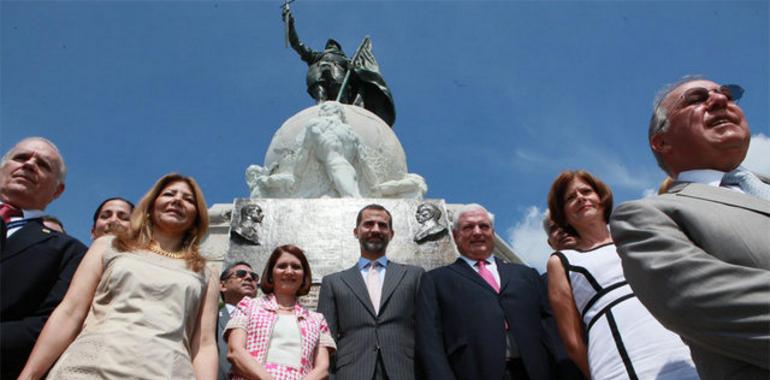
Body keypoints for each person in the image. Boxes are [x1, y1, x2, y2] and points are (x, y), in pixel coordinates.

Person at [610, 77, 770, 379]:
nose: (720, 100)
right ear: (662, 141)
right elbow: (706, 303)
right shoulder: (647, 217)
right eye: (696, 98)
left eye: (728, 94)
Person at [18, 173, 220, 379]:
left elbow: (204, 345)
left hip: (166, 371)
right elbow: (71, 312)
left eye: (188, 199)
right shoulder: (108, 246)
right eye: (169, 194)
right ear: (151, 205)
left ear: (197, 216)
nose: (177, 200)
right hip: (89, 368)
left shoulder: (205, 271)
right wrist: (29, 375)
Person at [546, 170, 697, 379]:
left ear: (600, 197)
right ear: (563, 213)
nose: (580, 198)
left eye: (586, 191)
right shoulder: (562, 262)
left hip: (681, 349)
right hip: (618, 363)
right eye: (570, 198)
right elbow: (572, 341)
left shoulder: (638, 236)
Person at [416, 204, 552, 380]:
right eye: (468, 227)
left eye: (484, 226)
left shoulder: (527, 275)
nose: (477, 232)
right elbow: (429, 340)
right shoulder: (435, 280)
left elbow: (550, 324)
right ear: (456, 236)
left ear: (493, 234)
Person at [0, 137, 88, 379]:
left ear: (58, 191)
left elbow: (49, 322)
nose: (29, 164)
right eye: (21, 158)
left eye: (43, 165)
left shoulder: (70, 252)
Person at [317, 204, 424, 380]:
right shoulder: (333, 282)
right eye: (368, 224)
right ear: (356, 232)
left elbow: (426, 330)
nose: (375, 229)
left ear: (391, 233)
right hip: (351, 372)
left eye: (382, 225)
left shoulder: (414, 275)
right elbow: (325, 339)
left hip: (405, 370)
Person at [225, 245, 336, 380]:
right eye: (282, 266)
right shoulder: (248, 306)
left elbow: (322, 368)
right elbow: (235, 352)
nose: (289, 271)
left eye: (296, 267)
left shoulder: (317, 320)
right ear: (271, 274)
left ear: (304, 276)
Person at [218, 261, 259, 380]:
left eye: (254, 277)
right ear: (223, 285)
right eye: (241, 274)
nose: (248, 277)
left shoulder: (267, 321)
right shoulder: (210, 320)